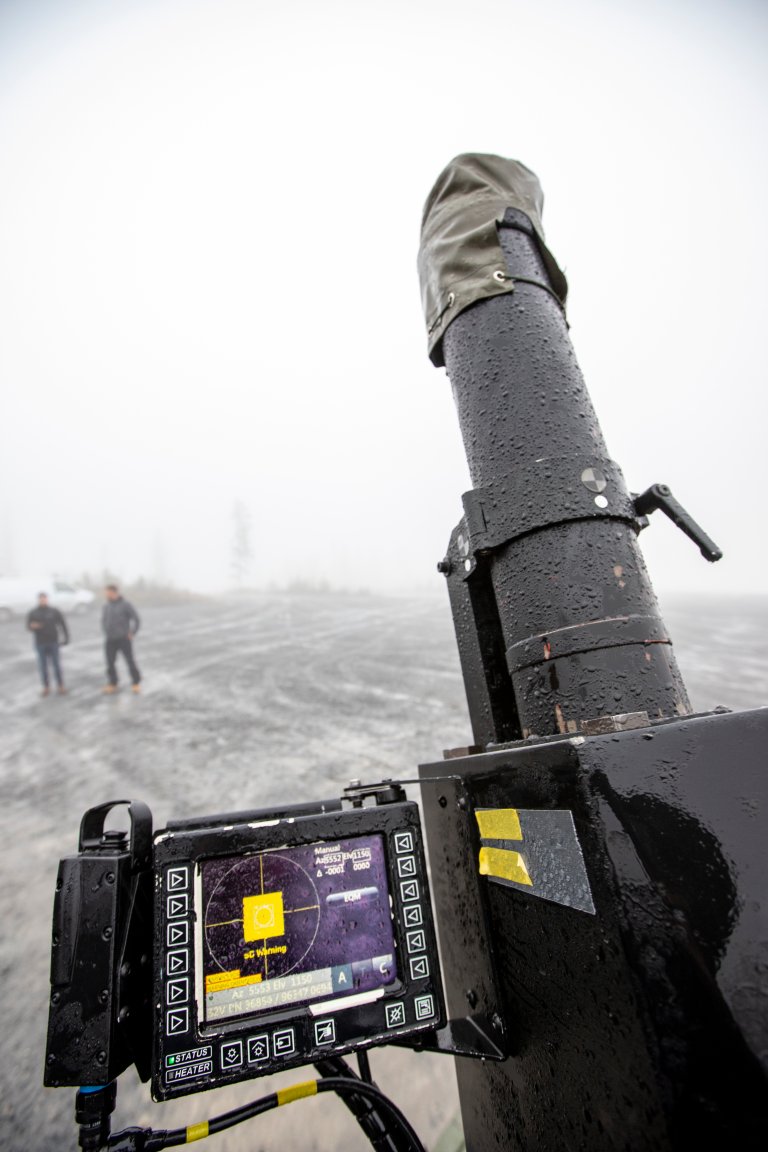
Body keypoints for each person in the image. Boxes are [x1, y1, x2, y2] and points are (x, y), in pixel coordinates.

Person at [26, 592, 69, 696]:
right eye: (41, 599)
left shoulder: (54, 611)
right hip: (40, 643)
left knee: (56, 665)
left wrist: (66, 637)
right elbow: (28, 626)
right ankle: (46, 687)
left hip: (53, 642)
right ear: (38, 600)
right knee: (43, 666)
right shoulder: (33, 612)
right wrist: (32, 626)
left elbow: (62, 624)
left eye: (44, 599)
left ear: (47, 599)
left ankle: (60, 685)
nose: (43, 600)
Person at [102, 584, 142, 693]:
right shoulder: (106, 606)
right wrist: (106, 631)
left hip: (123, 639)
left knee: (130, 661)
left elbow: (136, 619)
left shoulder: (125, 604)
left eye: (108, 592)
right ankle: (113, 683)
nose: (106, 594)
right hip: (110, 639)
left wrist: (132, 632)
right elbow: (104, 620)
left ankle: (136, 682)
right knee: (110, 662)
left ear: (114, 592)